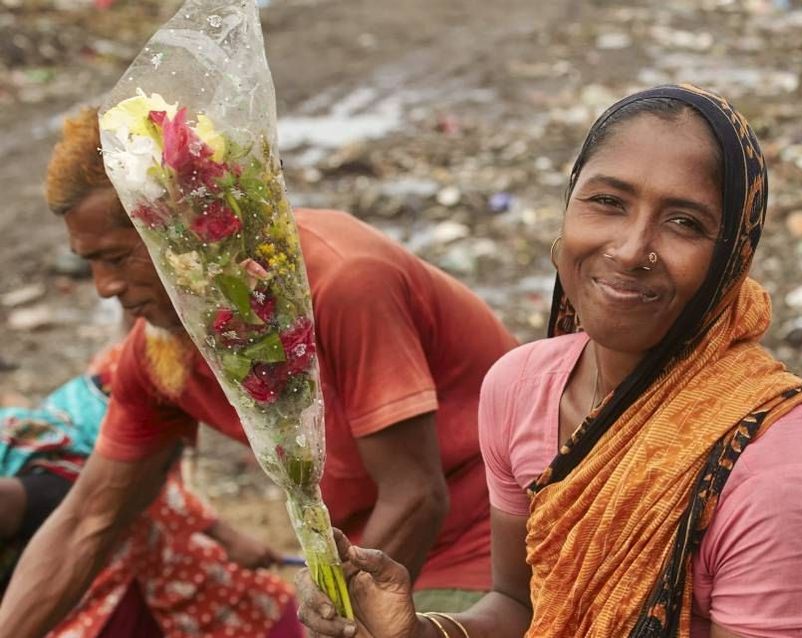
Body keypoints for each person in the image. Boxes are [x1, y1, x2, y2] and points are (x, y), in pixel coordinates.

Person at [293, 84, 802, 638]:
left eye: (684, 223)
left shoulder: (777, 476)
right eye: (607, 203)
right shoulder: (521, 389)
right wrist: (414, 631)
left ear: (731, 259)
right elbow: (521, 607)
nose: (629, 249)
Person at [0, 106, 517, 637]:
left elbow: (417, 495)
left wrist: (338, 618)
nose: (103, 287)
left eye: (114, 258)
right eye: (88, 262)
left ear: (179, 234)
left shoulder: (345, 279)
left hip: (485, 551)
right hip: (359, 557)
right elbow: (88, 519)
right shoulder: (162, 350)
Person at [0, 344, 303, 637]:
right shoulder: (121, 376)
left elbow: (124, 501)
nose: (109, 289)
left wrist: (226, 536)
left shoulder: (128, 376)